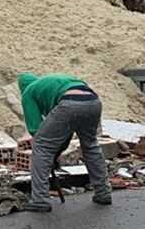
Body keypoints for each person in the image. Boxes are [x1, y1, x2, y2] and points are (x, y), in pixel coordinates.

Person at [18, 73, 112, 212]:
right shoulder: (49, 85)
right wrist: (55, 153)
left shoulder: (28, 92)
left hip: (69, 102)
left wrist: (48, 156)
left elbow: (36, 129)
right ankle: (103, 193)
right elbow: (63, 133)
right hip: (93, 101)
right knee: (90, 145)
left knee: (41, 145)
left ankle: (39, 200)